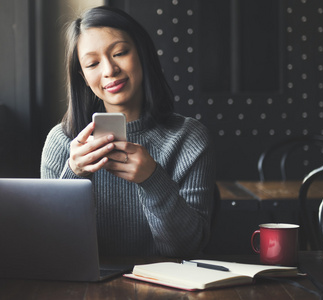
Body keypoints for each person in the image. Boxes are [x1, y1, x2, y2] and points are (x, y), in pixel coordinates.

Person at [41, 6, 216, 258]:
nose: (109, 70)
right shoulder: (62, 142)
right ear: (83, 76)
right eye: (92, 63)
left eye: (120, 52)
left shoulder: (189, 138)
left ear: (142, 53)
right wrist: (74, 174)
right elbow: (52, 248)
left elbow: (187, 249)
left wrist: (153, 179)